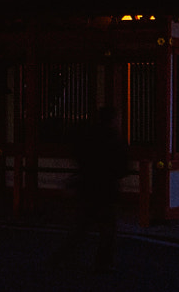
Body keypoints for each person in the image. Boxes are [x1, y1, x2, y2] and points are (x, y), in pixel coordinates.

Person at [50, 107, 128, 272]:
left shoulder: (89, 137)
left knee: (81, 226)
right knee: (107, 229)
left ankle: (63, 257)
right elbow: (123, 166)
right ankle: (103, 262)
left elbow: (78, 154)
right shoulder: (114, 140)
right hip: (106, 189)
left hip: (87, 187)